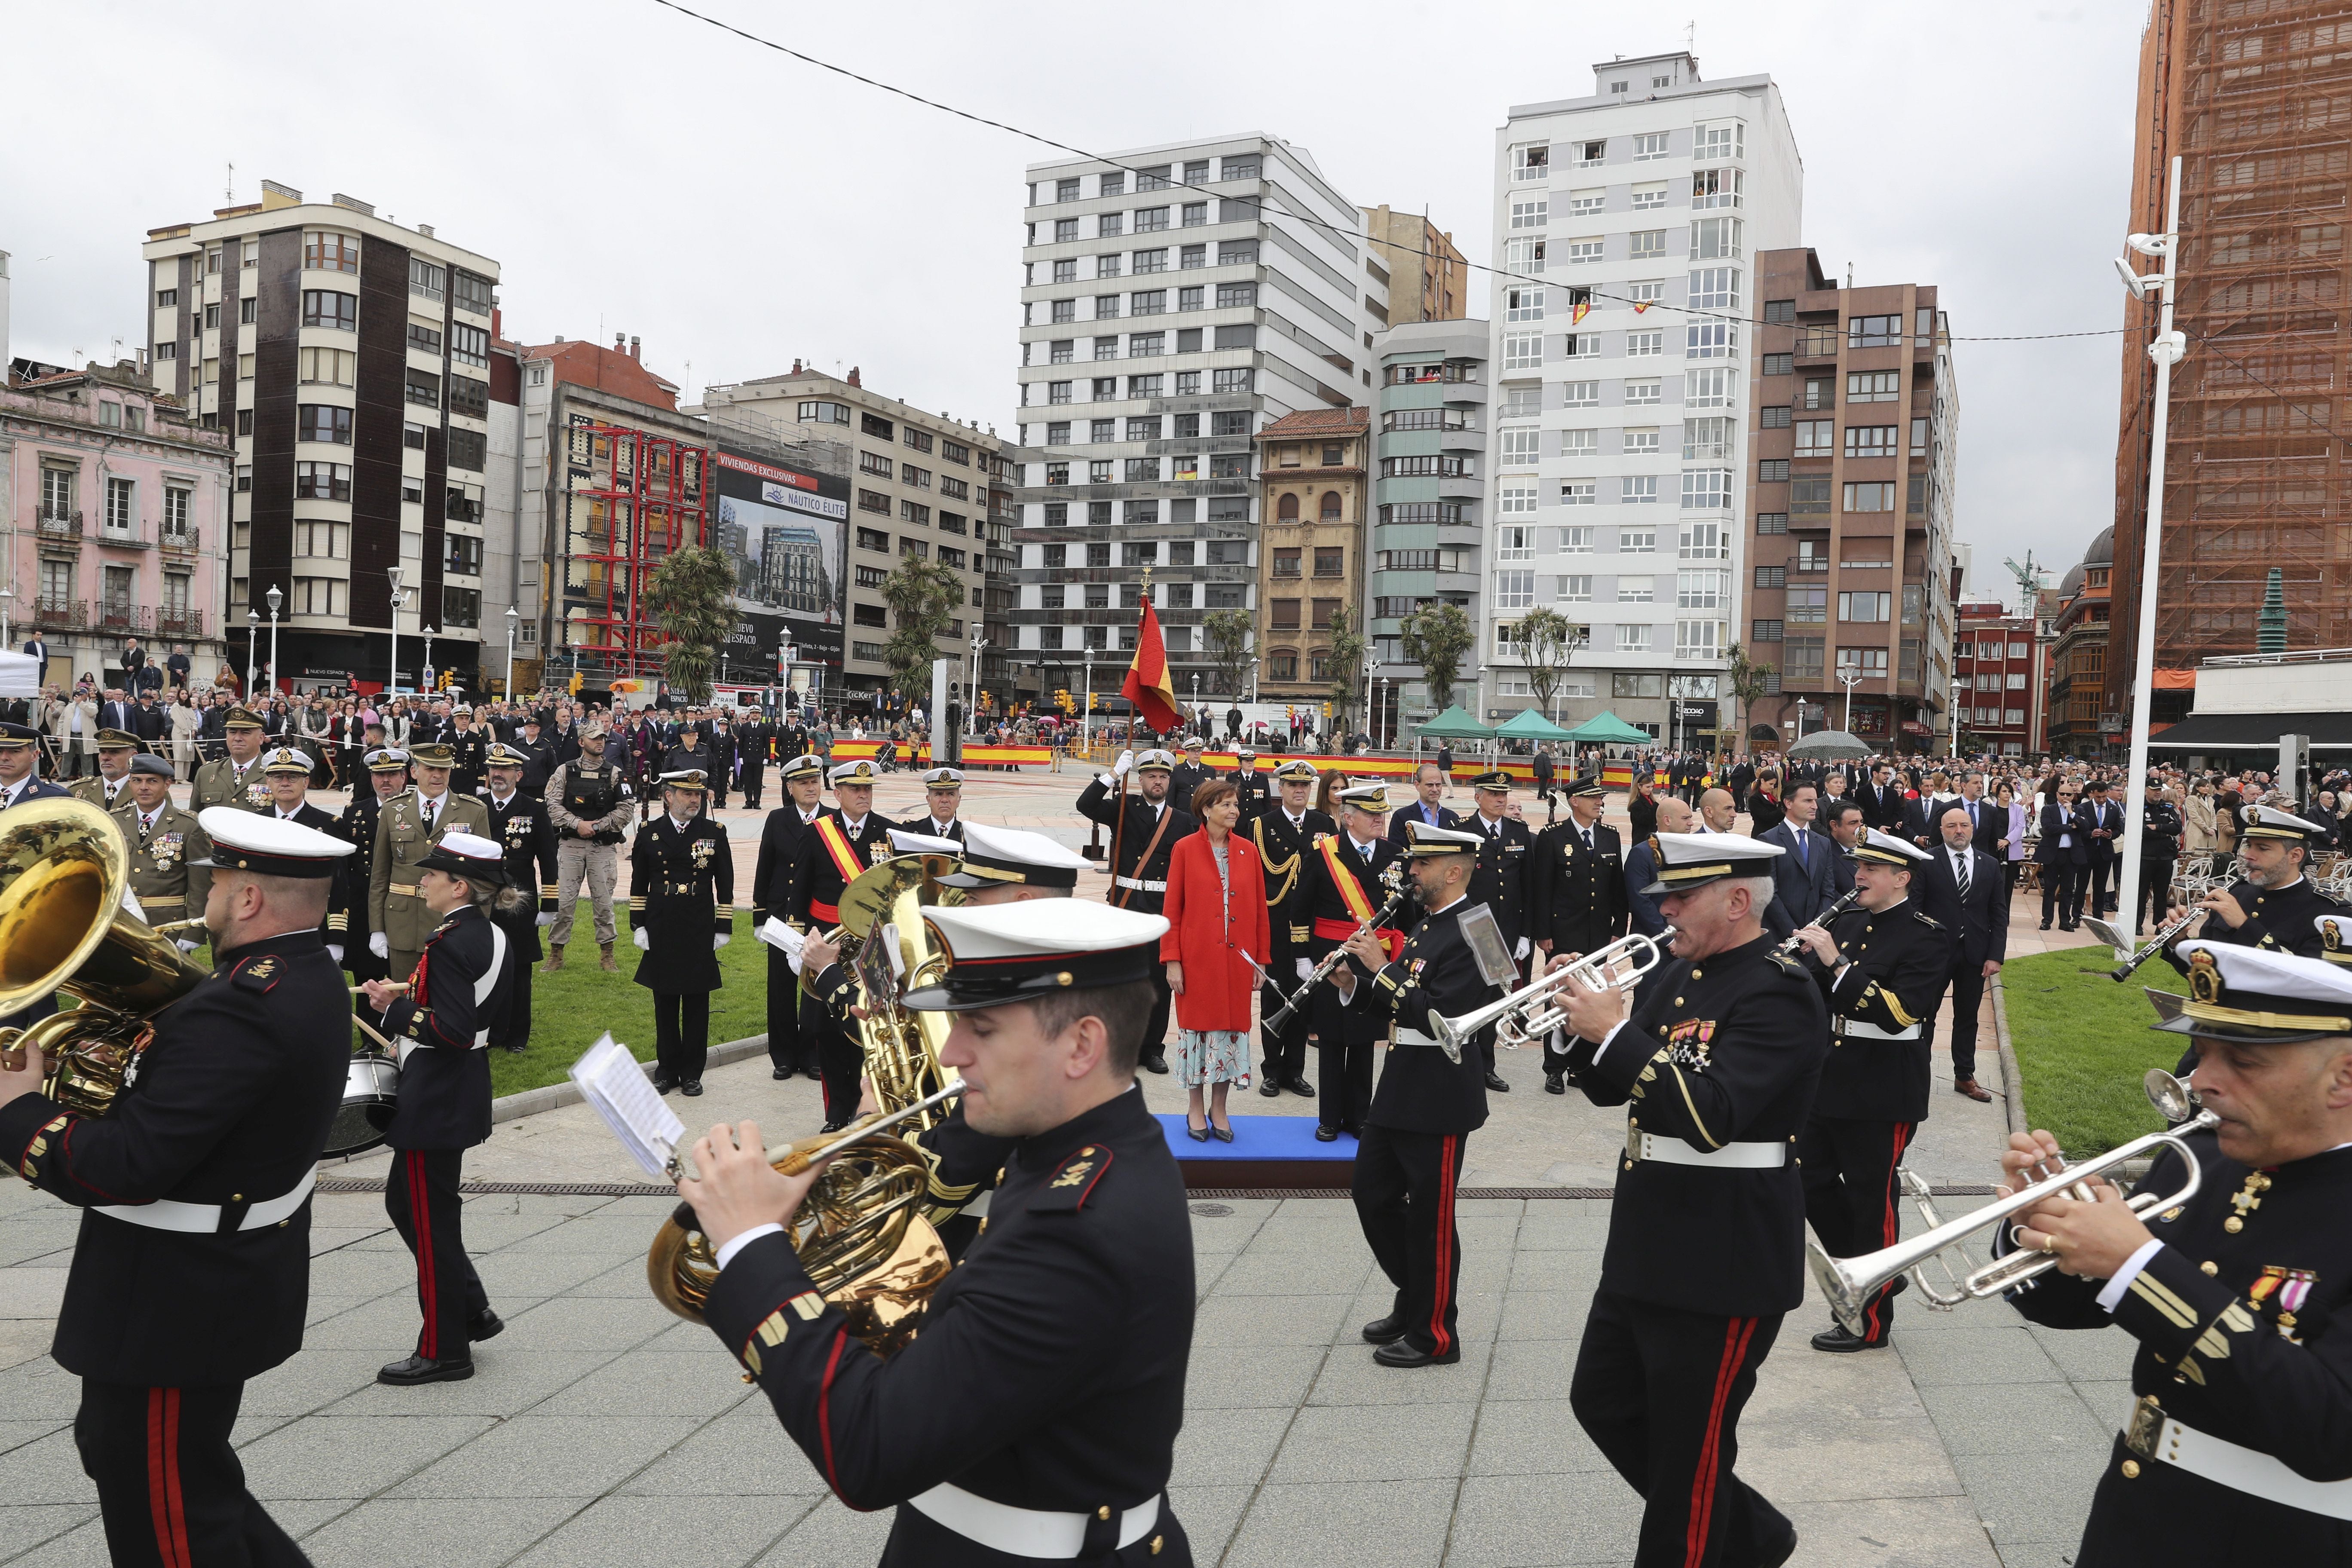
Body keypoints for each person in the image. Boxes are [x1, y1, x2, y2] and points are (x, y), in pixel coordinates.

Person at [677, 898, 1194, 1565]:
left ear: (1082, 1046)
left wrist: (752, 1246)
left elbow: (868, 1452)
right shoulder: (1074, 1153)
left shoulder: (1074, 1229)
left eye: (980, 1029)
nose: (953, 1053)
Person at [2, 806, 351, 1562]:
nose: (212, 895)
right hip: (215, 1282)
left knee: (169, 1515)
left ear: (250, 898)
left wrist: (19, 1108)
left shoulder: (238, 1010)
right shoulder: (305, 977)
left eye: (219, 881)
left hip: (174, 1300)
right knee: (174, 1472)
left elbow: (123, 1166)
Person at [1997, 940, 2352, 1563]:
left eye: (2242, 1062)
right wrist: (2046, 1226)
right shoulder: (2206, 1155)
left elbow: (2331, 1432)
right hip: (2138, 1519)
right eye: (2204, 1052)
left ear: (2343, 1077)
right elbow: (2071, 1307)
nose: (2202, 1081)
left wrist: (2137, 1267)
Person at [1548, 830, 1827, 1568]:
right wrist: (1583, 1023)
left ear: (1739, 900)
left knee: (1687, 1458)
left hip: (1721, 1253)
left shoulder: (1781, 988)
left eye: (1680, 896)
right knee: (1601, 1400)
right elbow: (1614, 1088)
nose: (1664, 908)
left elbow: (1712, 1117)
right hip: (1647, 1236)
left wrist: (1616, 1033)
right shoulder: (1682, 972)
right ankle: (1754, 1534)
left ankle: (1713, 1539)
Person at [1326, 820, 1502, 1366]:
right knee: (1371, 1195)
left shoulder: (1478, 929)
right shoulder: (1427, 926)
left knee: (1430, 1218)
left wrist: (1381, 969)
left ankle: (1435, 1333)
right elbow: (1397, 1005)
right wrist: (1354, 982)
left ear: (1454, 871)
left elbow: (1448, 1018)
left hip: (1441, 1092)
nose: (1410, 872)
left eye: (1421, 865)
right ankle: (1416, 1298)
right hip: (1402, 1085)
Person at [358, 831, 517, 1385]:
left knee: (429, 1224)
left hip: (438, 1091)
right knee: (409, 1206)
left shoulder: (450, 943)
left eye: (432, 874)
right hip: (459, 1086)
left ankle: (445, 1349)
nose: (422, 880)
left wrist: (395, 1009)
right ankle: (471, 1309)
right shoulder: (491, 934)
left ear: (459, 886)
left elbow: (452, 1030)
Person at [1786, 829, 1948, 1351]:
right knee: (1806, 1179)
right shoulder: (1850, 920)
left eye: (1872, 870)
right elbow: (1810, 988)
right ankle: (1877, 1270)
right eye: (1858, 867)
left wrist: (1836, 962)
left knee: (1870, 1201)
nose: (1858, 876)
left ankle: (1869, 1323)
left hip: (1883, 1086)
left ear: (1901, 879)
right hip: (1828, 1076)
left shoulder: (1928, 935)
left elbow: (1900, 1012)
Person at [2162, 803, 2342, 1078]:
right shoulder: (2238, 893)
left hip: (2273, 1054)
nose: (2249, 856)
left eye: (2263, 848)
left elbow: (2311, 986)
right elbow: (2208, 975)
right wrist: (2179, 944)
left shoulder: (2328, 914)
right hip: (2209, 1045)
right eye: (2248, 847)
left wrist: (2246, 926)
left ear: (2296, 855)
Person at [794, 758, 901, 1127]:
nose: (863, 794)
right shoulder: (816, 832)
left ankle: (872, 1112)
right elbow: (800, 895)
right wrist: (801, 944)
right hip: (831, 947)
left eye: (868, 788)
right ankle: (837, 1113)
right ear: (837, 793)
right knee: (830, 1033)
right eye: (855, 789)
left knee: (870, 1030)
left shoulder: (890, 833)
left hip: (873, 950)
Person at [1161, 778, 1268, 1141]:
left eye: (1236, 804)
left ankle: (1219, 1108)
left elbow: (1259, 913)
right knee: (1197, 1034)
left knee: (1230, 1033)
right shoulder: (1185, 849)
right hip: (1196, 961)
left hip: (1238, 961)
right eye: (1226, 805)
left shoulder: (1248, 851)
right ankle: (1195, 1106)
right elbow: (1172, 909)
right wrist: (1172, 959)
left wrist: (1261, 961)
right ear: (1206, 810)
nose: (1234, 811)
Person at [1077, 749, 1195, 1078]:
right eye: (1151, 776)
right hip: (1128, 906)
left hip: (1163, 911)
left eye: (1163, 777)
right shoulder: (1124, 809)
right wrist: (1113, 775)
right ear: (1140, 779)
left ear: (1169, 781)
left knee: (1160, 984)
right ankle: (1123, 1047)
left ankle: (1153, 1050)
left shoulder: (1183, 820)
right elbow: (1085, 806)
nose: (1157, 782)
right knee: (1126, 980)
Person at [1299, 782, 1405, 1140]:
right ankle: (1329, 1118)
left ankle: (1360, 1117)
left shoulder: (1396, 854)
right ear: (1348, 818)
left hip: (1375, 958)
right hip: (1333, 956)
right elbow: (1301, 909)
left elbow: (1406, 914)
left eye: (1382, 813)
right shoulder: (1322, 853)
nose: (1380, 819)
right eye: (1372, 815)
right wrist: (1302, 957)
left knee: (1363, 1040)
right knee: (1331, 1040)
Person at [629, 769, 735, 1096]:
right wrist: (638, 923)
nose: (694, 800)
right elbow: (638, 883)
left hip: (698, 920)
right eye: (687, 794)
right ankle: (667, 1069)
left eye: (698, 795)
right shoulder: (650, 832)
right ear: (668, 796)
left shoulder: (714, 832)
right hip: (661, 919)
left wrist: (724, 925)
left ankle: (692, 1071)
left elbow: (726, 883)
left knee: (696, 1000)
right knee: (664, 999)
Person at [1531, 775, 1629, 1094]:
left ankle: (1580, 1065)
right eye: (1594, 798)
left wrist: (1618, 929)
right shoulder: (1552, 837)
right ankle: (1554, 1067)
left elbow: (1618, 887)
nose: (1600, 802)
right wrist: (1543, 933)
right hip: (1563, 933)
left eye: (1601, 798)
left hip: (1598, 932)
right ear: (1575, 802)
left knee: (1592, 997)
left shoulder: (1609, 837)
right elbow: (1542, 889)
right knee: (1559, 999)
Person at [367, 743, 493, 986]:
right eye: (430, 769)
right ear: (414, 772)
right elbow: (380, 875)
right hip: (403, 923)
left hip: (452, 922)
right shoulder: (393, 810)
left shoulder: (473, 811)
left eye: (444, 770)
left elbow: (483, 877)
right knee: (404, 996)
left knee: (451, 993)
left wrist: (481, 925)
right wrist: (377, 928)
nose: (438, 775)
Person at [1247, 759, 1329, 1100]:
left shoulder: (1325, 824)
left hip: (1311, 927)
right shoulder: (1261, 826)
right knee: (1274, 995)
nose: (1300, 790)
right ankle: (1271, 1070)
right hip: (1277, 925)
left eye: (1305, 785)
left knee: (1305, 998)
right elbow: (1253, 879)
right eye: (1293, 785)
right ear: (1280, 789)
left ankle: (1295, 1070)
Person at [1919, 807, 2007, 1103]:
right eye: (1952, 826)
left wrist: (1995, 955)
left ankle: (1965, 1076)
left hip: (1975, 953)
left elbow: (1998, 914)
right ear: (1941, 830)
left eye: (1965, 825)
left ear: (1973, 829)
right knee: (1925, 1014)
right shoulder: (1927, 862)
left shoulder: (1990, 865)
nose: (1959, 830)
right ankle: (1917, 1072)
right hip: (1934, 954)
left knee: (1968, 1017)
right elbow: (1914, 911)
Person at [751, 754, 825, 1082]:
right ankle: (782, 1056)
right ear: (790, 787)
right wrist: (759, 916)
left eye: (816, 781)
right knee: (780, 988)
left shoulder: (832, 820)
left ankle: (812, 1054)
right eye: (804, 783)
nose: (812, 788)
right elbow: (765, 867)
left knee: (816, 988)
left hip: (818, 916)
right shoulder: (777, 819)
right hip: (782, 916)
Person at [481, 744, 559, 1053]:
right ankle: (488, 1031)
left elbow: (549, 860)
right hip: (483, 897)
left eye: (505, 770)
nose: (497, 775)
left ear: (519, 774)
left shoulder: (534, 808)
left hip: (518, 898)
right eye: (493, 769)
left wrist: (550, 905)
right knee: (484, 966)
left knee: (519, 969)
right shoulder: (476, 806)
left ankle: (516, 1036)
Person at [542, 721, 634, 974]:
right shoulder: (564, 771)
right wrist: (577, 823)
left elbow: (627, 808)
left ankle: (607, 954)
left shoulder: (615, 773)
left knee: (604, 904)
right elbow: (552, 805)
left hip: (601, 847)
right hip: (570, 845)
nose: (600, 742)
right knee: (563, 903)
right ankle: (556, 954)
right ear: (581, 742)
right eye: (594, 738)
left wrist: (599, 826)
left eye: (603, 738)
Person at [1461, 771, 1531, 1093]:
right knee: (1464, 999)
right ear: (1478, 798)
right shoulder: (1462, 831)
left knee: (1493, 1002)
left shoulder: (1519, 831)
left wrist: (1526, 935)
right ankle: (1459, 1062)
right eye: (1493, 794)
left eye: (1504, 794)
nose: (1501, 799)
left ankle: (1485, 1067)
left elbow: (1530, 886)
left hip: (1506, 931)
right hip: (1471, 929)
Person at [112, 753, 214, 941]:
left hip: (168, 925)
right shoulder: (114, 821)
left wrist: (193, 932)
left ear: (167, 784)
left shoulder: (189, 825)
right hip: (122, 921)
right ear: (129, 784)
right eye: (137, 781)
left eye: (152, 781)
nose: (143, 788)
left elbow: (200, 886)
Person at [332, 747, 408, 982]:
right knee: (367, 982)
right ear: (371, 777)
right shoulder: (354, 813)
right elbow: (344, 868)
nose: (385, 780)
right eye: (379, 774)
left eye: (392, 774)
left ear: (404, 777)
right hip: (363, 905)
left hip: (404, 903)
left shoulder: (416, 812)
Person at [1758, 779, 1835, 937]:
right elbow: (1769, 893)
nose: (1815, 806)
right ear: (1788, 803)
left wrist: (1816, 929)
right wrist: (1794, 932)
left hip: (1815, 937)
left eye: (1815, 800)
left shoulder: (1823, 842)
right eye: (1808, 801)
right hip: (1781, 936)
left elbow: (1828, 891)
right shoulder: (1769, 840)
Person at [190, 705, 271, 812]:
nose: (237, 738)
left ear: (261, 738)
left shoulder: (274, 773)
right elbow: (195, 819)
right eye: (233, 732)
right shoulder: (207, 773)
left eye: (246, 733)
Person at [2036, 777, 2088, 931]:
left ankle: (2065, 921)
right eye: (2062, 794)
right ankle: (2047, 920)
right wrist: (2070, 827)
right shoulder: (2049, 809)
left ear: (2073, 796)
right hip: (2052, 853)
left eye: (2069, 795)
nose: (2065, 797)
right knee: (2050, 889)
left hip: (2071, 855)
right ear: (2057, 794)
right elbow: (2048, 828)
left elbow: (2084, 827)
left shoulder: (2078, 810)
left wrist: (2071, 813)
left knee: (2068, 890)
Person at [2135, 778, 2184, 937]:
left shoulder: (2168, 807)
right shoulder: (2139, 806)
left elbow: (2177, 828)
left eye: (2159, 790)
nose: (2157, 792)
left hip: (2165, 856)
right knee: (2141, 892)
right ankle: (2137, 923)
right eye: (2154, 789)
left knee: (2162, 893)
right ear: (2146, 790)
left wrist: (2158, 827)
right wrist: (2164, 832)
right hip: (2145, 856)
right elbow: (2141, 830)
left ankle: (2161, 924)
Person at [2077, 778, 2123, 919]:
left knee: (2100, 887)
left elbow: (2118, 828)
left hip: (2104, 852)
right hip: (2087, 851)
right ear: (2092, 794)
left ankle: (2098, 915)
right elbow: (2078, 830)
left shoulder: (2113, 809)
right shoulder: (2083, 808)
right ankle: (2077, 914)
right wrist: (2090, 834)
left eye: (2104, 797)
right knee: (2081, 885)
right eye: (2099, 797)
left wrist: (2110, 835)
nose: (2102, 800)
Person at [65, 727, 139, 811]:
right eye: (102, 752)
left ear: (133, 756)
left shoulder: (144, 790)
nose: (105, 758)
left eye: (114, 752)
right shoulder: (79, 789)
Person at [916, 766, 968, 840]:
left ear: (959, 800)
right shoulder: (912, 832)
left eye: (951, 794)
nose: (945, 800)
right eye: (939, 794)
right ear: (929, 800)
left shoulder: (968, 837)